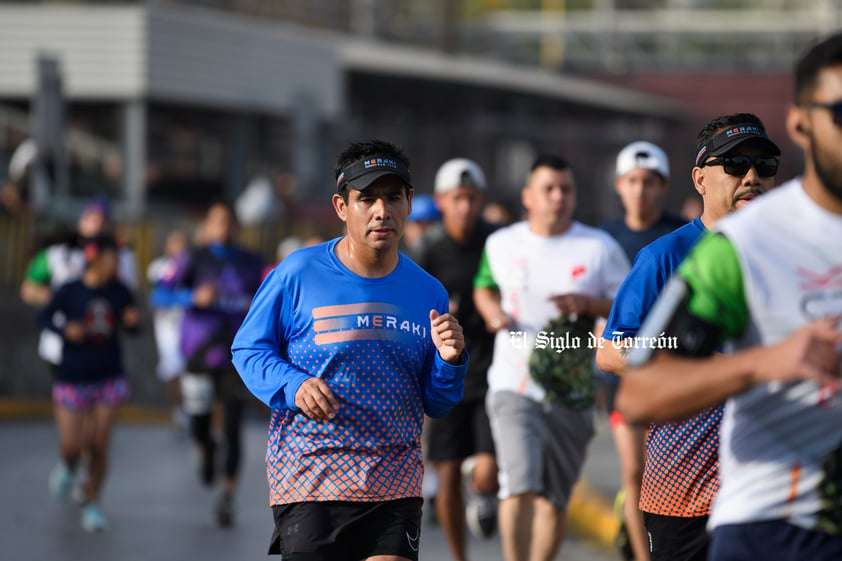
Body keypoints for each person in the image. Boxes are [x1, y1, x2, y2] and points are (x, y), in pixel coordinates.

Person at [617, 33, 842, 561]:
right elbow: (636, 382)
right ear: (803, 122)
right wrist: (760, 361)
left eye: (762, 166)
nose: (750, 177)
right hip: (761, 521)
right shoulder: (733, 250)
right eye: (841, 111)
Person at [231, 139, 468, 561]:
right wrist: (295, 385)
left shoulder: (428, 291)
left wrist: (451, 361)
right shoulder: (297, 274)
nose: (382, 211)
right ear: (342, 206)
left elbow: (436, 401)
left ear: (409, 202)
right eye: (368, 199)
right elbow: (249, 350)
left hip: (394, 481)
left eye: (393, 197)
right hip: (310, 476)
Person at [596, 114, 781, 561]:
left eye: (764, 166)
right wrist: (708, 364)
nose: (751, 177)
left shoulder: (787, 254)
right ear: (700, 178)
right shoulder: (664, 256)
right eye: (735, 165)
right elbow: (610, 352)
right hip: (683, 485)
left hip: (769, 483)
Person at [473, 154, 630, 561]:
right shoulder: (502, 244)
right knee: (518, 482)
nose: (558, 197)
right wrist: (492, 312)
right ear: (528, 196)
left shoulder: (599, 247)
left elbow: (626, 306)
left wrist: (588, 303)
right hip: (513, 383)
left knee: (556, 499)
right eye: (548, 189)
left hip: (571, 389)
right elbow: (484, 287)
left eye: (566, 189)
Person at [596, 140, 687, 561]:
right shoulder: (605, 239)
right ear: (619, 185)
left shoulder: (682, 236)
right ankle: (639, 551)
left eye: (649, 182)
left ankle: (632, 516)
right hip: (628, 373)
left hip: (677, 373)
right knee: (635, 470)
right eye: (632, 181)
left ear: (664, 186)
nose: (640, 190)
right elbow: (602, 314)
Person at [154, 201, 263, 527]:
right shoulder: (191, 258)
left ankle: (228, 497)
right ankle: (205, 447)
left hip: (238, 356)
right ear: (207, 226)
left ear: (237, 227)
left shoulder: (252, 262)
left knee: (233, 426)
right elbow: (158, 295)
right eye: (216, 222)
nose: (223, 228)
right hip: (199, 354)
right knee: (199, 422)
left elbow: (272, 301)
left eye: (229, 222)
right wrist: (190, 298)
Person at [414, 158, 499, 561]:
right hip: (445, 375)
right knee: (446, 473)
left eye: (470, 198)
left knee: (488, 468)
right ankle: (458, 556)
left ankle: (483, 490)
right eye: (456, 198)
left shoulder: (497, 242)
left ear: (480, 200)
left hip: (491, 371)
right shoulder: (427, 250)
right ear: (443, 202)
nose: (464, 206)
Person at [39, 234, 140, 532]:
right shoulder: (70, 291)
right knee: (72, 447)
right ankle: (67, 468)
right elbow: (44, 317)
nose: (117, 265)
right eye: (113, 258)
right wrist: (64, 330)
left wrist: (134, 323)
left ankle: (92, 502)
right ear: (97, 258)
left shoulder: (120, 291)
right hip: (72, 375)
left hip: (108, 376)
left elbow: (132, 325)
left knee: (98, 444)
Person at [147, 229, 191, 430]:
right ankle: (178, 409)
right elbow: (156, 299)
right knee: (173, 368)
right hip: (167, 327)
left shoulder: (192, 266)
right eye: (175, 244)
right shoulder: (159, 268)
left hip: (188, 324)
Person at [402, 192, 441, 259]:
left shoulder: (446, 262)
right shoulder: (393, 262)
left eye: (430, 226)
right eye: (419, 226)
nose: (424, 234)